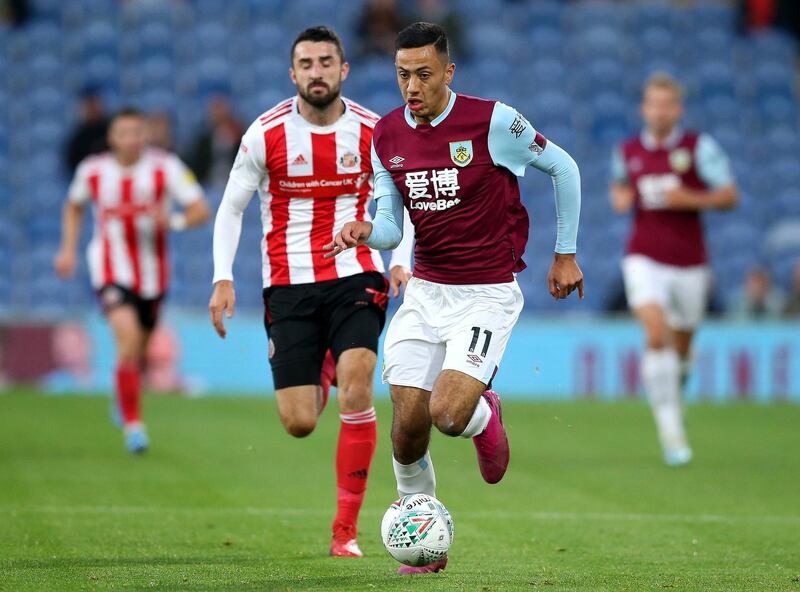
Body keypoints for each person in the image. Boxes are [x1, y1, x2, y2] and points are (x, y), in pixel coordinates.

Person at [326, 22, 583, 574]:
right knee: (407, 425)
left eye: (423, 74)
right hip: (426, 292)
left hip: (486, 294)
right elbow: (393, 228)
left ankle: (483, 417)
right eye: (402, 75)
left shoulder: (492, 122)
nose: (411, 86)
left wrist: (565, 253)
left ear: (448, 71)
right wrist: (366, 232)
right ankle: (424, 546)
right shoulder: (387, 136)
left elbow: (563, 167)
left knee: (447, 414)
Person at [209, 26, 413, 559]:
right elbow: (231, 208)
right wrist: (221, 276)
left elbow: (404, 198)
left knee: (358, 386)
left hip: (356, 274)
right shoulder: (265, 133)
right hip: (288, 284)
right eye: (307, 63)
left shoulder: (373, 130)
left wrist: (400, 260)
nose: (317, 71)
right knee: (299, 422)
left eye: (327, 62)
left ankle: (345, 531)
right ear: (293, 73)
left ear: (343, 71)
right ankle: (322, 363)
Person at [54, 108, 211, 453]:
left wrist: (172, 221)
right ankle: (134, 426)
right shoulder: (92, 170)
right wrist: (67, 249)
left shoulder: (166, 167)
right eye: (124, 132)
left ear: (145, 135)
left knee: (137, 351)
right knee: (125, 340)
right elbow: (73, 206)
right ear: (112, 137)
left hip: (153, 276)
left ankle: (123, 393)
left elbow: (201, 209)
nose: (132, 139)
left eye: (138, 132)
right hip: (110, 270)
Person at [609, 73, 738, 466]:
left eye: (667, 104)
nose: (660, 111)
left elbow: (729, 195)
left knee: (680, 346)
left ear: (677, 109)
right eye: (653, 104)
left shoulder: (698, 148)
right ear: (644, 108)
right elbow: (619, 187)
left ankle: (675, 387)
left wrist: (689, 198)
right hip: (643, 256)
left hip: (689, 263)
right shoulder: (628, 150)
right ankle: (671, 430)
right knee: (656, 332)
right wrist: (622, 197)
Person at [186, 95, 244, 188]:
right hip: (208, 185)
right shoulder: (203, 141)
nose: (218, 114)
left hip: (236, 184)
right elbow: (196, 167)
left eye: (220, 109)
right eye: (215, 110)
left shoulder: (241, 137)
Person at [64, 87, 110, 174]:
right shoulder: (78, 137)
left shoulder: (112, 128)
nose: (92, 109)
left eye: (94, 105)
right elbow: (72, 165)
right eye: (88, 106)